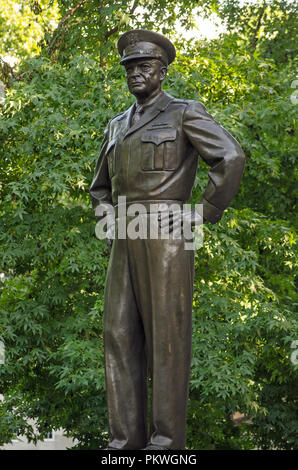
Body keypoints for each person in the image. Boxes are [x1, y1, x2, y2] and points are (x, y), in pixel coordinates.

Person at [90, 29, 245, 450]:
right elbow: (99, 188)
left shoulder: (184, 113)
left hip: (167, 230)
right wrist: (109, 222)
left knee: (167, 338)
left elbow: (229, 158)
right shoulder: (117, 124)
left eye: (144, 67)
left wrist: (202, 212)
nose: (135, 74)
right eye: (129, 68)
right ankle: (122, 443)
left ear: (162, 71)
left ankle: (166, 445)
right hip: (126, 231)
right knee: (119, 336)